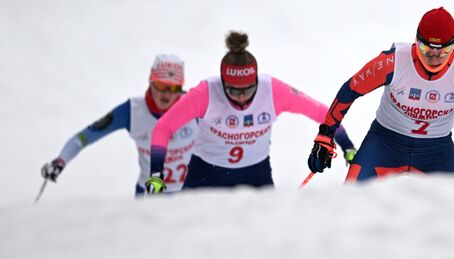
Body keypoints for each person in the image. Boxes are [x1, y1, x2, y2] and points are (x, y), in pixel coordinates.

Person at [307, 7, 454, 182]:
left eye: (443, 53)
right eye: (427, 50)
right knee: (351, 197)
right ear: (416, 41)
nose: (434, 59)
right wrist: (325, 137)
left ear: (453, 48)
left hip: (437, 150)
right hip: (385, 141)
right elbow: (350, 90)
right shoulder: (393, 62)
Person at [145, 31, 356, 193]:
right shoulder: (206, 93)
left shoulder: (272, 91)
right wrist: (156, 174)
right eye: (233, 91)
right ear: (223, 83)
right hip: (206, 175)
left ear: (256, 81)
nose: (241, 97)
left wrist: (347, 146)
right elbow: (163, 127)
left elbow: (322, 112)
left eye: (248, 90)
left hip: (256, 175)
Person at [41, 55, 198, 195]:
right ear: (150, 81)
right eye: (161, 86)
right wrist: (60, 161)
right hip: (149, 195)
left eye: (173, 87)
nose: (167, 94)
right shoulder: (132, 111)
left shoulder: (195, 106)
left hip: (189, 195)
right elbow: (83, 138)